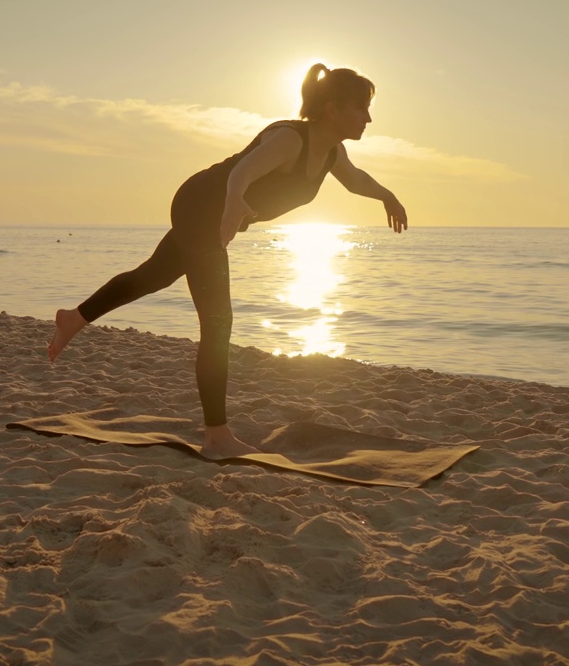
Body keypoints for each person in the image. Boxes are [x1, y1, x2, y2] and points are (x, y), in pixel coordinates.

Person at [47, 64, 408, 459]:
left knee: (152, 277)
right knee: (219, 323)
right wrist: (235, 203)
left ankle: (74, 318)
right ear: (332, 109)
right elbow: (243, 170)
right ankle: (217, 436)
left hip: (213, 214)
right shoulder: (290, 139)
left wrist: (387, 196)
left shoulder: (331, 152)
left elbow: (356, 180)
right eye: (361, 108)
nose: (368, 118)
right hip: (202, 205)